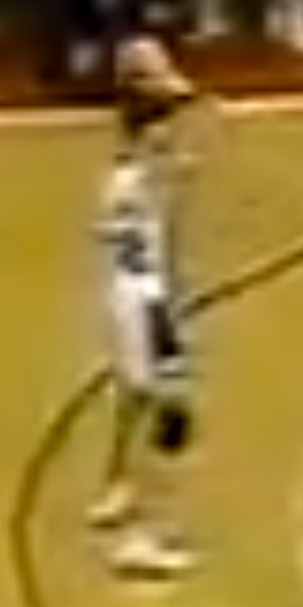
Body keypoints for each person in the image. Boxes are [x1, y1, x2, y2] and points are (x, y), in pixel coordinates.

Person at [89, 37, 202, 577]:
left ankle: (117, 488)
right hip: (146, 295)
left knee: (134, 399)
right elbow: (167, 244)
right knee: (169, 414)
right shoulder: (154, 167)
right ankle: (141, 538)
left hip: (124, 291)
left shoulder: (125, 162)